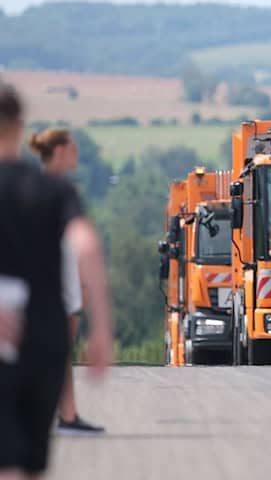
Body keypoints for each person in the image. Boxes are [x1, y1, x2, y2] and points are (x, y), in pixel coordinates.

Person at [0, 85, 112, 479]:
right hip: (45, 333)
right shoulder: (54, 190)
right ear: (19, 125)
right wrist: (101, 327)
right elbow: (87, 246)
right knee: (31, 461)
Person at [27, 129, 104, 435]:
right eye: (72, 147)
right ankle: (61, 416)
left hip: (56, 279)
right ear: (58, 151)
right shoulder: (58, 191)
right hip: (60, 280)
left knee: (59, 351)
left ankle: (67, 415)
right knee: (58, 350)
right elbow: (80, 243)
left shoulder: (34, 186)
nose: (77, 152)